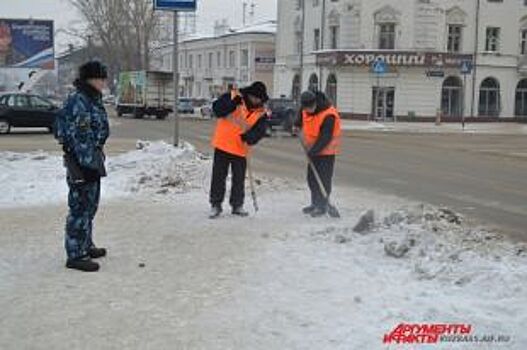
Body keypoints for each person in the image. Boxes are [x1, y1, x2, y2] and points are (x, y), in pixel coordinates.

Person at [55, 61, 110, 272]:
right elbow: (80, 137)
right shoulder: (79, 101)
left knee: (90, 205)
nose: (104, 82)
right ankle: (75, 254)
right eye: (101, 78)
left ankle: (86, 243)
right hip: (82, 162)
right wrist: (87, 164)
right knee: (79, 207)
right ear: (91, 79)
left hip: (92, 159)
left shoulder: (92, 99)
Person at [209, 82, 269, 218]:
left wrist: (250, 137)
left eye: (260, 99)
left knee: (239, 179)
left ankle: (237, 205)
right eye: (255, 98)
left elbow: (260, 131)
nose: (257, 101)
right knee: (218, 177)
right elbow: (217, 110)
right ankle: (216, 204)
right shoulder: (233, 97)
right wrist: (232, 104)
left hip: (241, 149)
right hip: (223, 144)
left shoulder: (261, 113)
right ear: (250, 95)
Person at [297, 90, 342, 217]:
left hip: (326, 152)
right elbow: (301, 116)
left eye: (310, 107)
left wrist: (313, 151)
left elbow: (325, 137)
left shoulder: (329, 114)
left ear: (315, 103)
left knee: (323, 180)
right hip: (313, 150)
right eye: (306, 108)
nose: (308, 110)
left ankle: (322, 206)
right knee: (312, 179)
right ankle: (315, 203)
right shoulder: (305, 108)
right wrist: (296, 123)